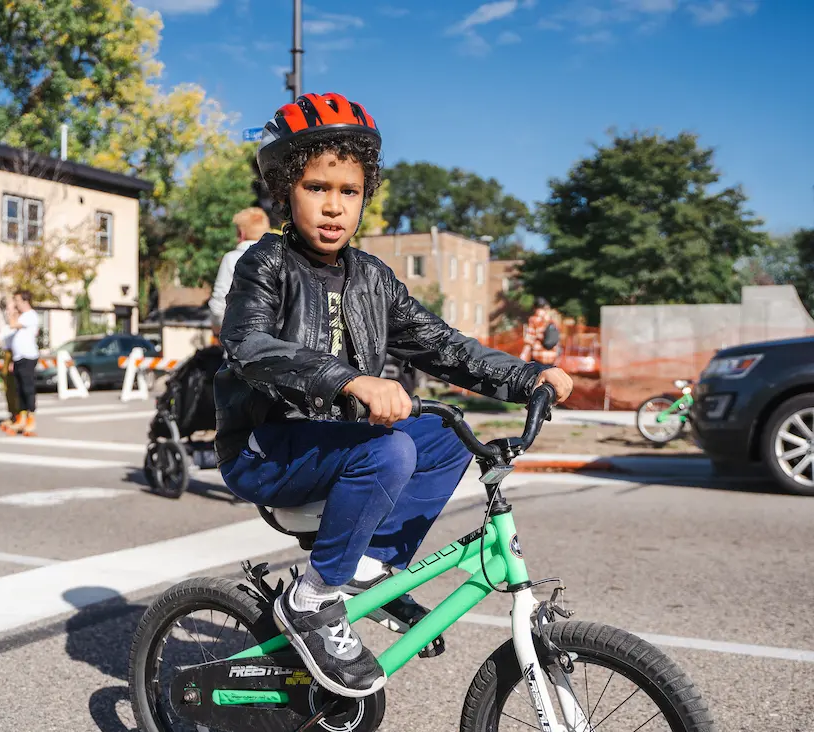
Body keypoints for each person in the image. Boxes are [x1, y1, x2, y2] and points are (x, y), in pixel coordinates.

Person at [215, 92, 574, 698]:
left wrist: (526, 375)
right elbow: (248, 345)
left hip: (334, 442)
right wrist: (349, 379)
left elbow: (445, 347)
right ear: (284, 190)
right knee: (388, 452)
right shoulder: (265, 261)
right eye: (316, 187)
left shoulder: (374, 279)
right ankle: (311, 601)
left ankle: (370, 570)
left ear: (365, 196)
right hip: (267, 444)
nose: (333, 207)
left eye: (348, 191)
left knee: (443, 432)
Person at [208, 207, 272, 335]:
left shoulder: (231, 259)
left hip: (240, 339)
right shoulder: (281, 258)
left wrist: (219, 328)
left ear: (241, 233)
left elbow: (219, 303)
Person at [0, 289, 39, 436]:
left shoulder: (30, 315)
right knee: (19, 389)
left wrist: (11, 312)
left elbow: (13, 324)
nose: (15, 304)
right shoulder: (23, 316)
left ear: (25, 301)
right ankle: (21, 417)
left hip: (28, 357)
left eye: (17, 301)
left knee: (28, 388)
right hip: (18, 357)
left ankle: (31, 418)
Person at [519, 297, 563, 366]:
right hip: (552, 356)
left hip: (538, 356)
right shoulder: (552, 319)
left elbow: (529, 340)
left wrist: (522, 357)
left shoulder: (534, 319)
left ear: (534, 307)